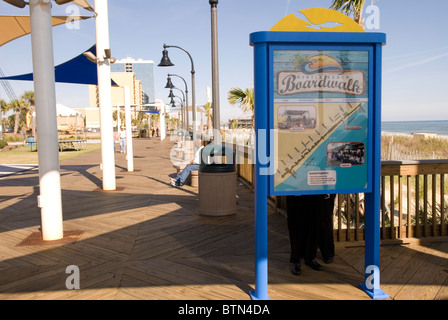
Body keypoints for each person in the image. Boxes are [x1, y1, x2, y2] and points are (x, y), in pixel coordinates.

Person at [286, 194, 336, 275]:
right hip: (295, 189)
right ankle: (296, 260)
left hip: (315, 190)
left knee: (314, 223)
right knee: (297, 224)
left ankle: (310, 257)